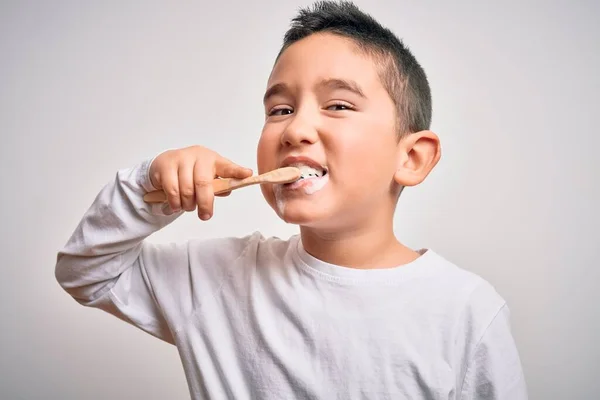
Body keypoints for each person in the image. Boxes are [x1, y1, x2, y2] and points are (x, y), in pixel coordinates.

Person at [55, 1, 527, 398]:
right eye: (280, 110)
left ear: (412, 158)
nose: (295, 129)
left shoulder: (466, 311)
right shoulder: (216, 280)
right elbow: (87, 273)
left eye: (338, 105)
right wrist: (146, 188)